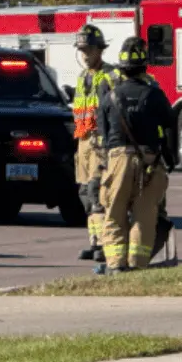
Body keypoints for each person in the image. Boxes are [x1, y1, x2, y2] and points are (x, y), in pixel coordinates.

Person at [96, 37, 175, 274]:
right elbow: (170, 127)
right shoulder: (154, 95)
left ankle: (115, 265)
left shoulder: (109, 98)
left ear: (122, 68)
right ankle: (138, 265)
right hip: (149, 162)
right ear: (144, 67)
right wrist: (170, 159)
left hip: (118, 160)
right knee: (144, 215)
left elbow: (103, 135)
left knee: (114, 213)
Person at [72, 24, 121, 263]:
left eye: (89, 49)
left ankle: (104, 243)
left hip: (100, 144)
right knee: (84, 194)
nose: (85, 54)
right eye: (82, 50)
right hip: (83, 143)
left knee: (97, 193)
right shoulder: (82, 78)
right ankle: (94, 242)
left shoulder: (111, 76)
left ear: (100, 50)